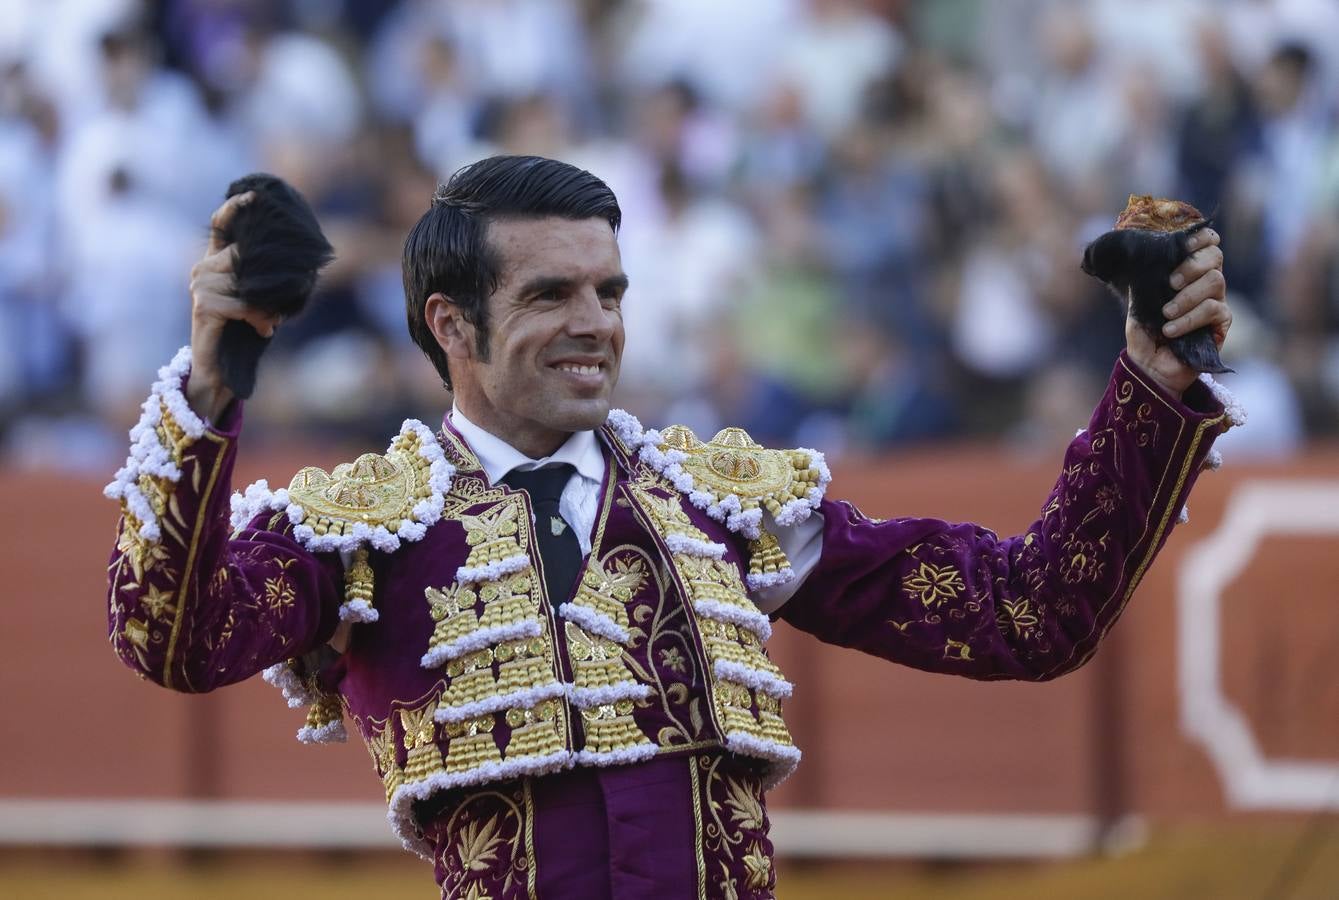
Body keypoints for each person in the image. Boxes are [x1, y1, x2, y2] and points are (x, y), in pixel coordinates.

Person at [105, 155, 1238, 899]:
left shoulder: (721, 507)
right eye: (551, 295)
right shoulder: (369, 530)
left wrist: (1148, 375)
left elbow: (1026, 615)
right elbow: (176, 638)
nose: (594, 324)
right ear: (449, 322)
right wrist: (214, 376)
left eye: (610, 292)